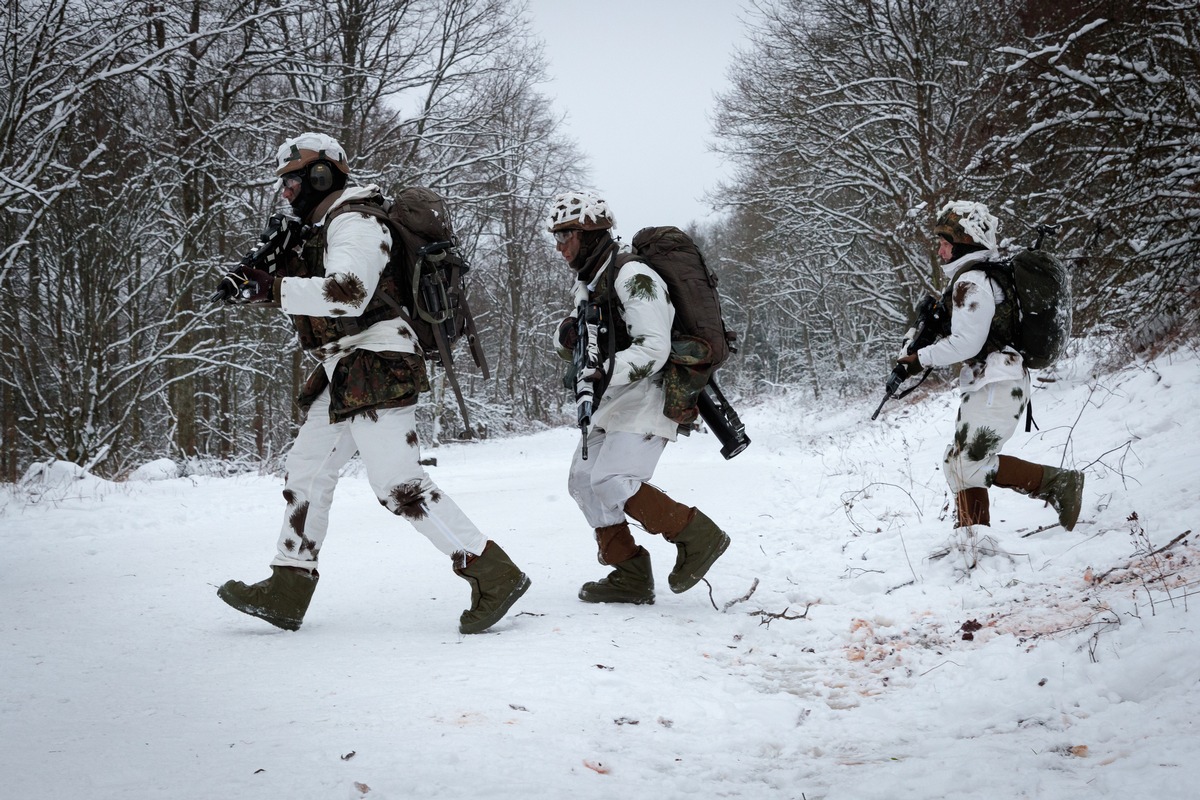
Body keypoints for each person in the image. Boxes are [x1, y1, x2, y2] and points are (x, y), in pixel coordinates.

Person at [215, 132, 529, 633]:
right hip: (345, 365)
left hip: (377, 359)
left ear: (321, 176)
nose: (286, 194)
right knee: (308, 471)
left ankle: (492, 572)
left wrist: (270, 287)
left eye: (292, 183)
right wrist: (258, 281)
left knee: (398, 483)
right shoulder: (320, 229)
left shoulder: (356, 220)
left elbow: (349, 293)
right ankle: (288, 585)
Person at [548, 191, 730, 604]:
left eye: (565, 236)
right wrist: (566, 339)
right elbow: (591, 343)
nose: (559, 247)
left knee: (612, 480)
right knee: (582, 482)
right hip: (614, 395)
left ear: (590, 232)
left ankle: (698, 535)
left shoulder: (632, 276)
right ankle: (629, 573)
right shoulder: (591, 281)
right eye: (555, 237)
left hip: (653, 391)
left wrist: (600, 375)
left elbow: (653, 348)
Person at [897, 200, 1085, 569]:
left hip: (1001, 383)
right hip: (989, 382)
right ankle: (975, 536)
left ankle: (1046, 493)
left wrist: (923, 357)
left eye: (945, 242)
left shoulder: (972, 282)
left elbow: (966, 343)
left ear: (965, 241)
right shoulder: (971, 279)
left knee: (968, 462)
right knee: (959, 462)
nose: (940, 250)